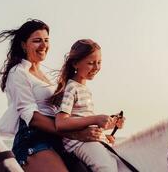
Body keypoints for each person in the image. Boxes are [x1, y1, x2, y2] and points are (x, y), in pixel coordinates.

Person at [0, 19, 103, 172]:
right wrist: (76, 134)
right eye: (37, 41)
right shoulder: (18, 72)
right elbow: (32, 118)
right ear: (24, 45)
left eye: (46, 40)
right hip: (34, 139)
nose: (44, 45)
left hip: (59, 138)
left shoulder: (45, 77)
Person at [50, 39, 125, 172]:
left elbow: (82, 119)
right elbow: (61, 123)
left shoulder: (84, 89)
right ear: (75, 64)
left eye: (99, 62)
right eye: (91, 63)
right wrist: (95, 119)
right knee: (107, 168)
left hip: (87, 141)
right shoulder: (71, 88)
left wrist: (111, 124)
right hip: (78, 143)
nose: (96, 67)